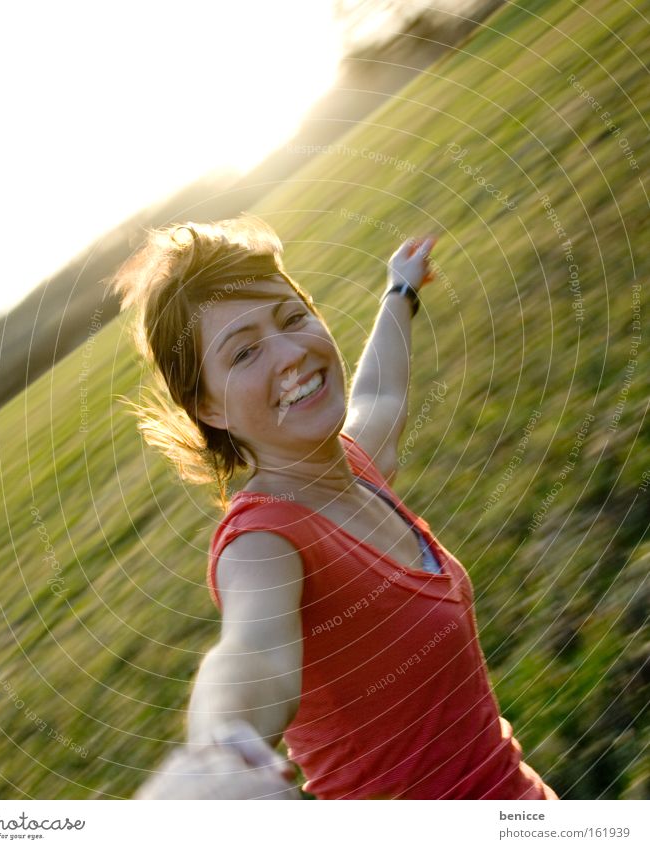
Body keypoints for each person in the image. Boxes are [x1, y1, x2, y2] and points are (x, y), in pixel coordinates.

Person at [113, 215, 558, 800]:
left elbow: (380, 391)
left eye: (293, 318)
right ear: (208, 406)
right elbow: (251, 656)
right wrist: (220, 752)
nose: (290, 353)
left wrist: (400, 289)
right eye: (244, 353)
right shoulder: (263, 542)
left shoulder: (352, 465)